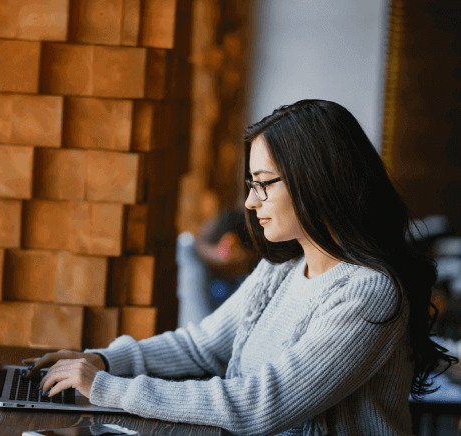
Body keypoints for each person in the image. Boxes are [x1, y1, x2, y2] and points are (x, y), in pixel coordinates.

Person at [23, 100, 457, 435]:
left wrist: (104, 387)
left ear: (318, 181)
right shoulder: (283, 269)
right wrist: (101, 360)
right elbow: (200, 347)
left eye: (264, 184)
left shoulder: (368, 292)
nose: (251, 202)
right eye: (251, 186)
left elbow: (259, 406)